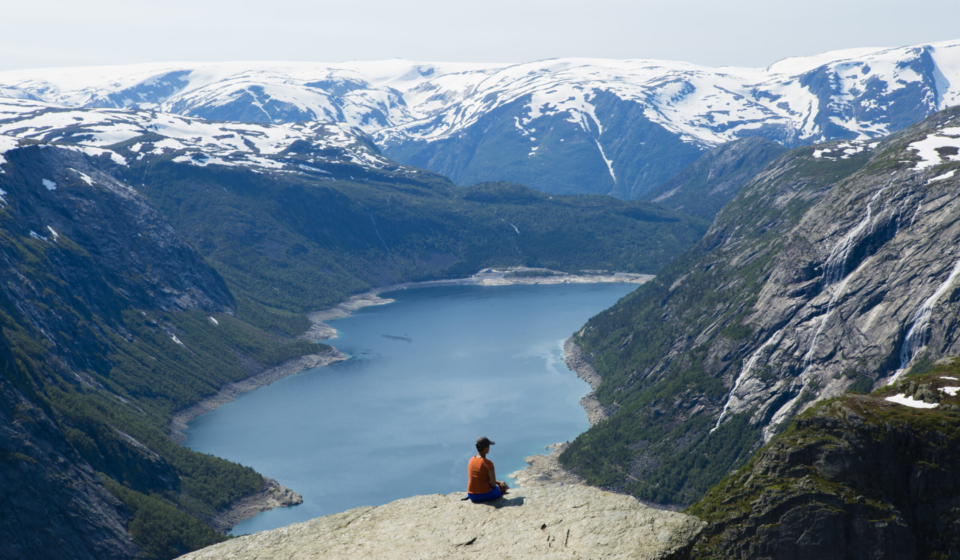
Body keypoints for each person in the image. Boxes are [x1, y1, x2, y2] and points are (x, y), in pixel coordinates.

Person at [467, 436, 509, 503]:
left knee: (498, 485)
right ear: (485, 448)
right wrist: (500, 484)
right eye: (488, 446)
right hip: (485, 495)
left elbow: (480, 478)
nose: (489, 448)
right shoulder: (488, 463)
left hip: (472, 495)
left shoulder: (471, 460)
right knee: (499, 488)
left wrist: (499, 482)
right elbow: (492, 484)